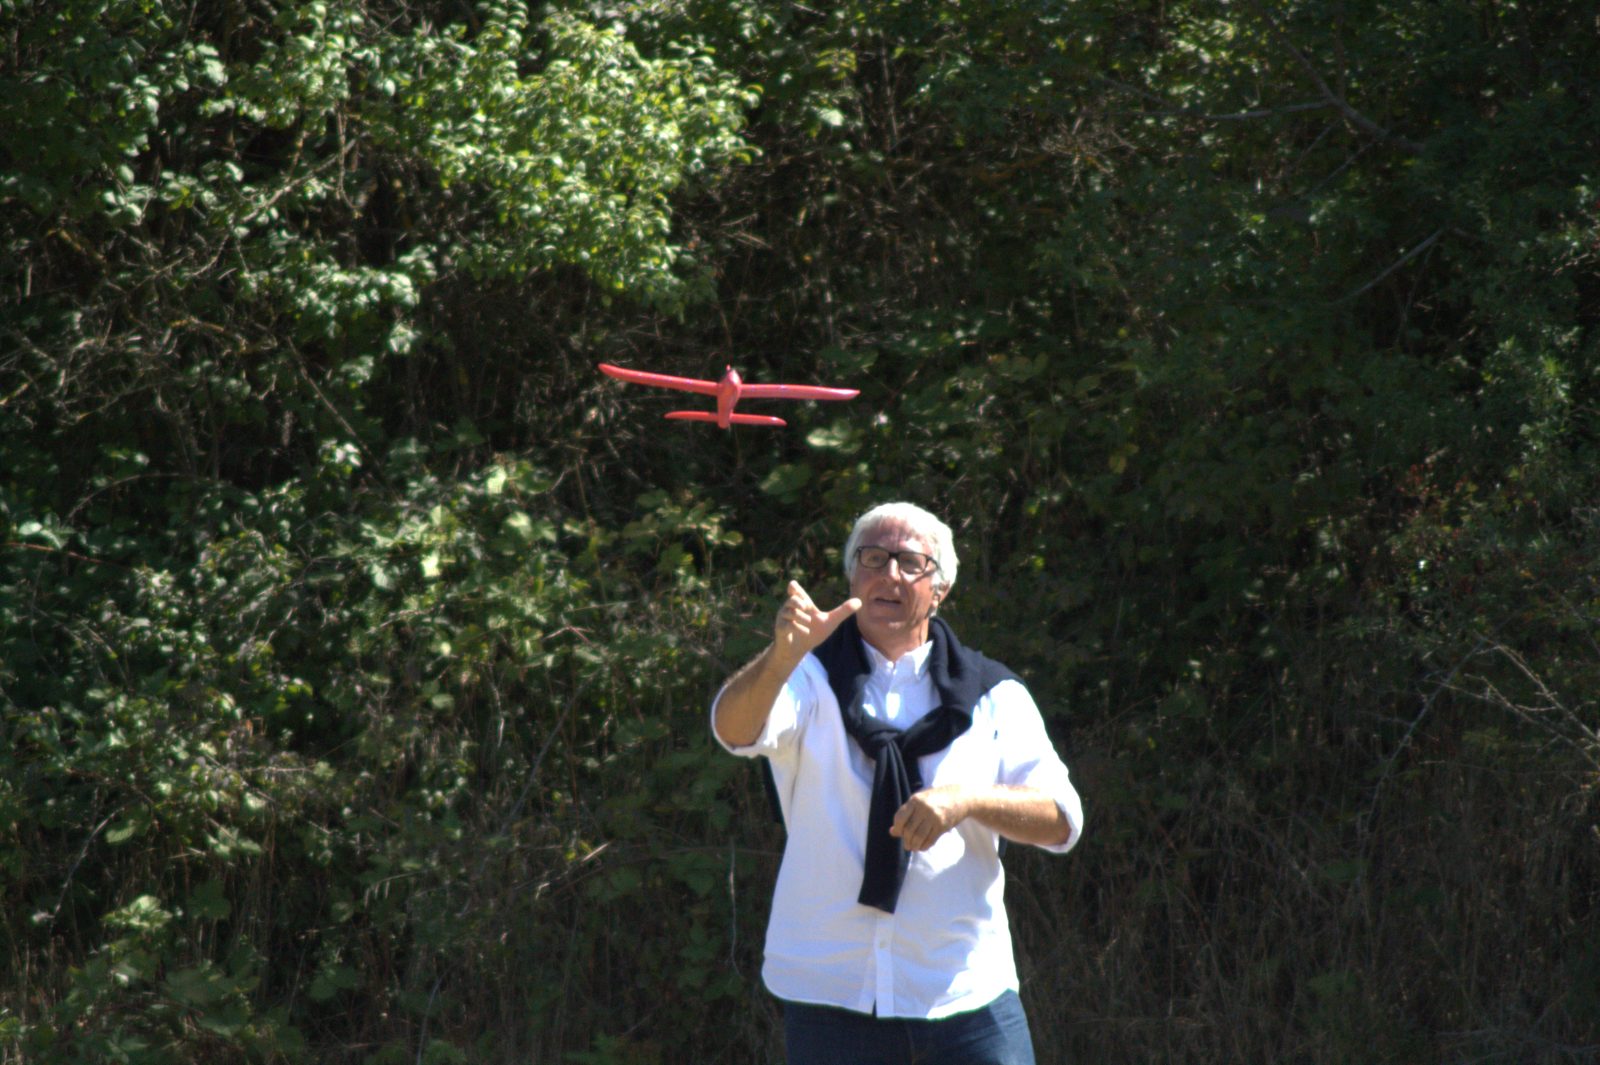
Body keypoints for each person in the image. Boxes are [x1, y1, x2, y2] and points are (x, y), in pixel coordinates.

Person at [712, 501, 1084, 1065]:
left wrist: (968, 800)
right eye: (873, 558)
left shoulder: (993, 694)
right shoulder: (807, 678)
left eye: (911, 563)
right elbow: (733, 730)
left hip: (964, 993)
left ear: (940, 590)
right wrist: (782, 656)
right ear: (852, 577)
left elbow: (1062, 819)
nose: (889, 574)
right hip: (831, 993)